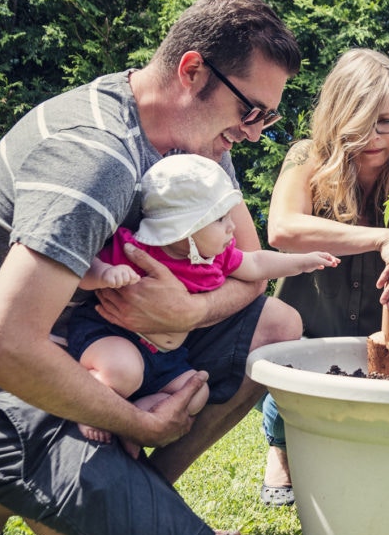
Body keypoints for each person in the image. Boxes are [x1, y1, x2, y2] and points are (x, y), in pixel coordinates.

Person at [0, 0, 303, 535]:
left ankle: (131, 501)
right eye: (250, 110)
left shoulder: (199, 148)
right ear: (192, 71)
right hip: (0, 394)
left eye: (266, 119)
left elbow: (249, 275)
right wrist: (141, 424)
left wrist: (188, 313)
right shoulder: (93, 157)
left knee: (278, 329)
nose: (254, 134)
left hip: (104, 351)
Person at [258, 48, 389, 506]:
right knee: (292, 403)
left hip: (383, 342)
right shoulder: (308, 157)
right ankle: (279, 450)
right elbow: (282, 230)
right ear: (338, 115)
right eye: (361, 123)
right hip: (310, 330)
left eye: (386, 121)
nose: (375, 137)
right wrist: (380, 237)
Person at [69, 154, 338, 454]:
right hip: (114, 337)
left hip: (165, 358)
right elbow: (83, 270)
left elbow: (258, 263)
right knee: (123, 371)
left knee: (195, 392)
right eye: (219, 219)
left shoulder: (214, 258)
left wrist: (303, 262)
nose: (231, 227)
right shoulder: (136, 249)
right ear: (186, 227)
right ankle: (91, 402)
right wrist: (105, 274)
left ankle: (136, 418)